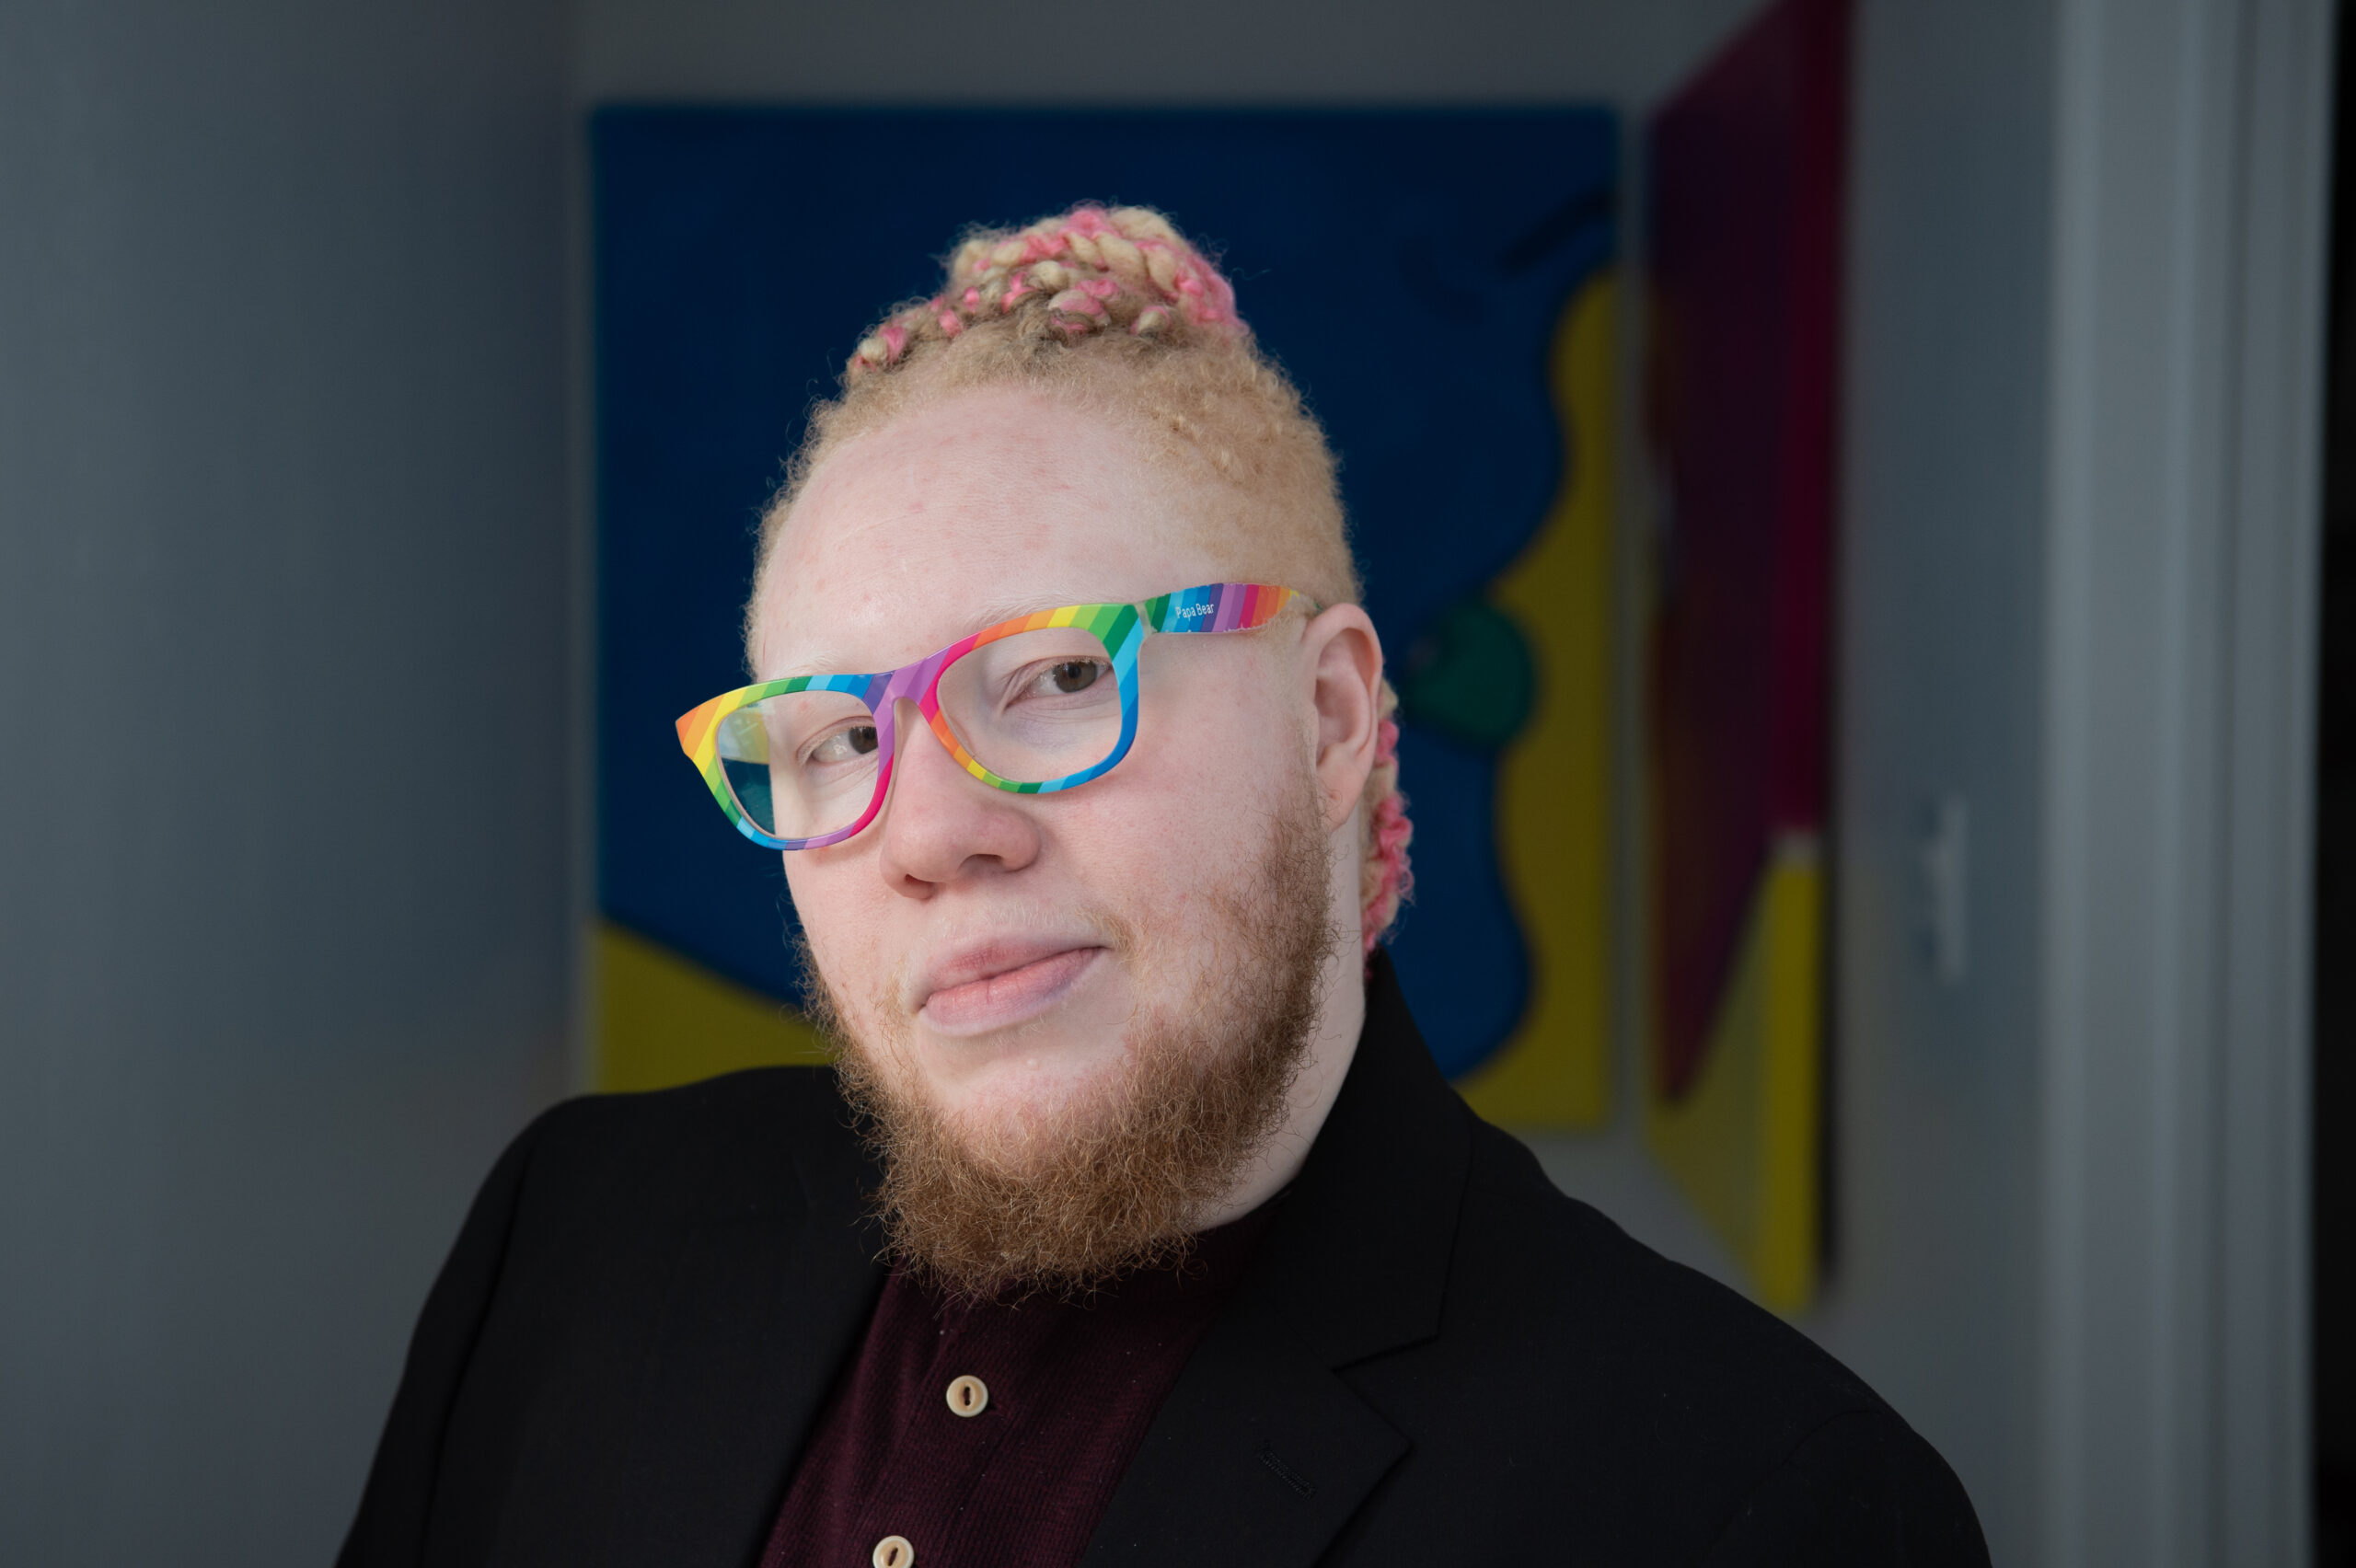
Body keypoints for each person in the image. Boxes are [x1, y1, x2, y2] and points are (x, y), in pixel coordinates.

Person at [339, 204, 1987, 1567]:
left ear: (1330, 721)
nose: (926, 834)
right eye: (835, 737)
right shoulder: (568, 1236)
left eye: (1057, 680)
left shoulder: (1758, 1510)